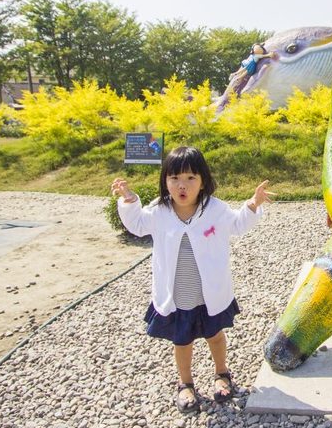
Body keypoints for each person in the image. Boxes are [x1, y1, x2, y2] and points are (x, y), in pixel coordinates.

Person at [110, 146, 275, 414]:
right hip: (177, 295)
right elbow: (137, 225)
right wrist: (129, 200)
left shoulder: (215, 209)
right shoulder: (160, 211)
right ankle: (185, 383)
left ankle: (222, 374)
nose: (182, 185)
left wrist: (253, 204)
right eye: (174, 178)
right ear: (165, 181)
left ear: (203, 181)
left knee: (215, 335)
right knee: (182, 340)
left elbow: (237, 225)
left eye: (190, 178)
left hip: (210, 292)